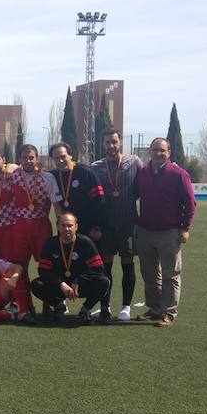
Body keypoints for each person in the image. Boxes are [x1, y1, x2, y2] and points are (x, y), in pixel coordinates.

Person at [135, 137, 196, 327]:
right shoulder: (143, 172)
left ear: (169, 153)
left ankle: (169, 312)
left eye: (162, 150)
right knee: (149, 274)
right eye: (154, 150)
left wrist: (185, 228)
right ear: (150, 152)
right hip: (145, 231)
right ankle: (154, 309)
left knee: (171, 275)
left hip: (169, 233)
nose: (158, 153)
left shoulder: (179, 174)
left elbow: (191, 203)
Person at [90, 128, 143, 322]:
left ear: (120, 142)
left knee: (128, 265)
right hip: (106, 227)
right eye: (107, 143)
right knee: (105, 267)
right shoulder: (95, 167)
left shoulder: (134, 162)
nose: (111, 146)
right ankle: (105, 306)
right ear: (103, 144)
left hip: (128, 224)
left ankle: (126, 308)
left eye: (114, 142)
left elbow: (142, 190)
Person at [10, 144, 63, 323]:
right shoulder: (13, 174)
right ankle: (25, 306)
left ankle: (49, 304)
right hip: (20, 226)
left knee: (46, 266)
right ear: (19, 159)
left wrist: (62, 225)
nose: (28, 161)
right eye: (24, 157)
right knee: (20, 267)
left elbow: (56, 204)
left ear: (37, 158)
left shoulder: (47, 177)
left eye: (31, 157)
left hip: (41, 225)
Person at [31, 213, 110, 325]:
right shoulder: (50, 244)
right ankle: (59, 305)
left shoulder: (85, 242)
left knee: (104, 282)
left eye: (70, 225)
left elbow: (98, 268)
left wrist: (79, 281)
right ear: (58, 227)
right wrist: (60, 284)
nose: (66, 229)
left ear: (76, 227)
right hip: (59, 286)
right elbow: (43, 270)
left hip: (80, 285)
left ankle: (85, 309)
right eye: (63, 225)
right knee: (36, 284)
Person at [49, 142, 105, 254]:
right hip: (66, 229)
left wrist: (97, 227)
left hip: (88, 228)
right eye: (56, 158)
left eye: (63, 157)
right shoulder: (52, 176)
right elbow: (32, 172)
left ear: (70, 155)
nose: (60, 161)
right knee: (68, 261)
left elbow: (99, 201)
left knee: (90, 262)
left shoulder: (85, 172)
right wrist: (11, 166)